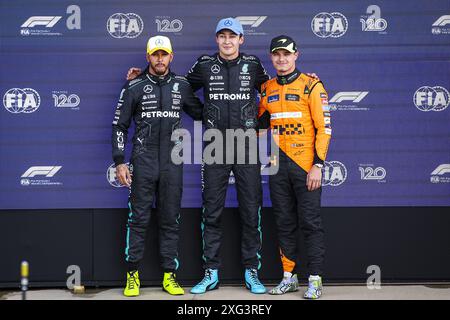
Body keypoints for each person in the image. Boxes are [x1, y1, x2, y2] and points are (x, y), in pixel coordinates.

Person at [127, 17, 270, 294]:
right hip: (214, 144)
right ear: (217, 39)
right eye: (222, 36)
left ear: (241, 40)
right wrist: (141, 78)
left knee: (251, 211)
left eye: (233, 36)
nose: (227, 41)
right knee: (211, 212)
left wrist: (261, 124)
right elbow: (175, 86)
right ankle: (211, 272)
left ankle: (252, 271)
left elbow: (273, 90)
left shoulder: (253, 65)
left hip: (246, 146)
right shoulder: (204, 65)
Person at [112, 35, 203, 297]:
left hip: (173, 161)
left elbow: (201, 113)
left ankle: (169, 276)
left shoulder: (182, 85)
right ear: (148, 56)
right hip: (143, 160)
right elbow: (120, 125)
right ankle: (132, 276)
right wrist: (120, 161)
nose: (160, 59)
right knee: (138, 219)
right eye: (155, 54)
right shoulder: (134, 86)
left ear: (171, 57)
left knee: (170, 219)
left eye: (164, 54)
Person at [258, 35, 331, 299]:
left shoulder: (312, 85)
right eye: (277, 54)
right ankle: (289, 278)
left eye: (286, 54)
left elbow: (324, 129)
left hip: (305, 166)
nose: (281, 58)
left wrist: (318, 165)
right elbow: (259, 126)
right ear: (271, 57)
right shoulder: (266, 88)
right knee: (284, 223)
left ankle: (315, 280)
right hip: (277, 166)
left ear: (296, 55)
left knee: (310, 223)